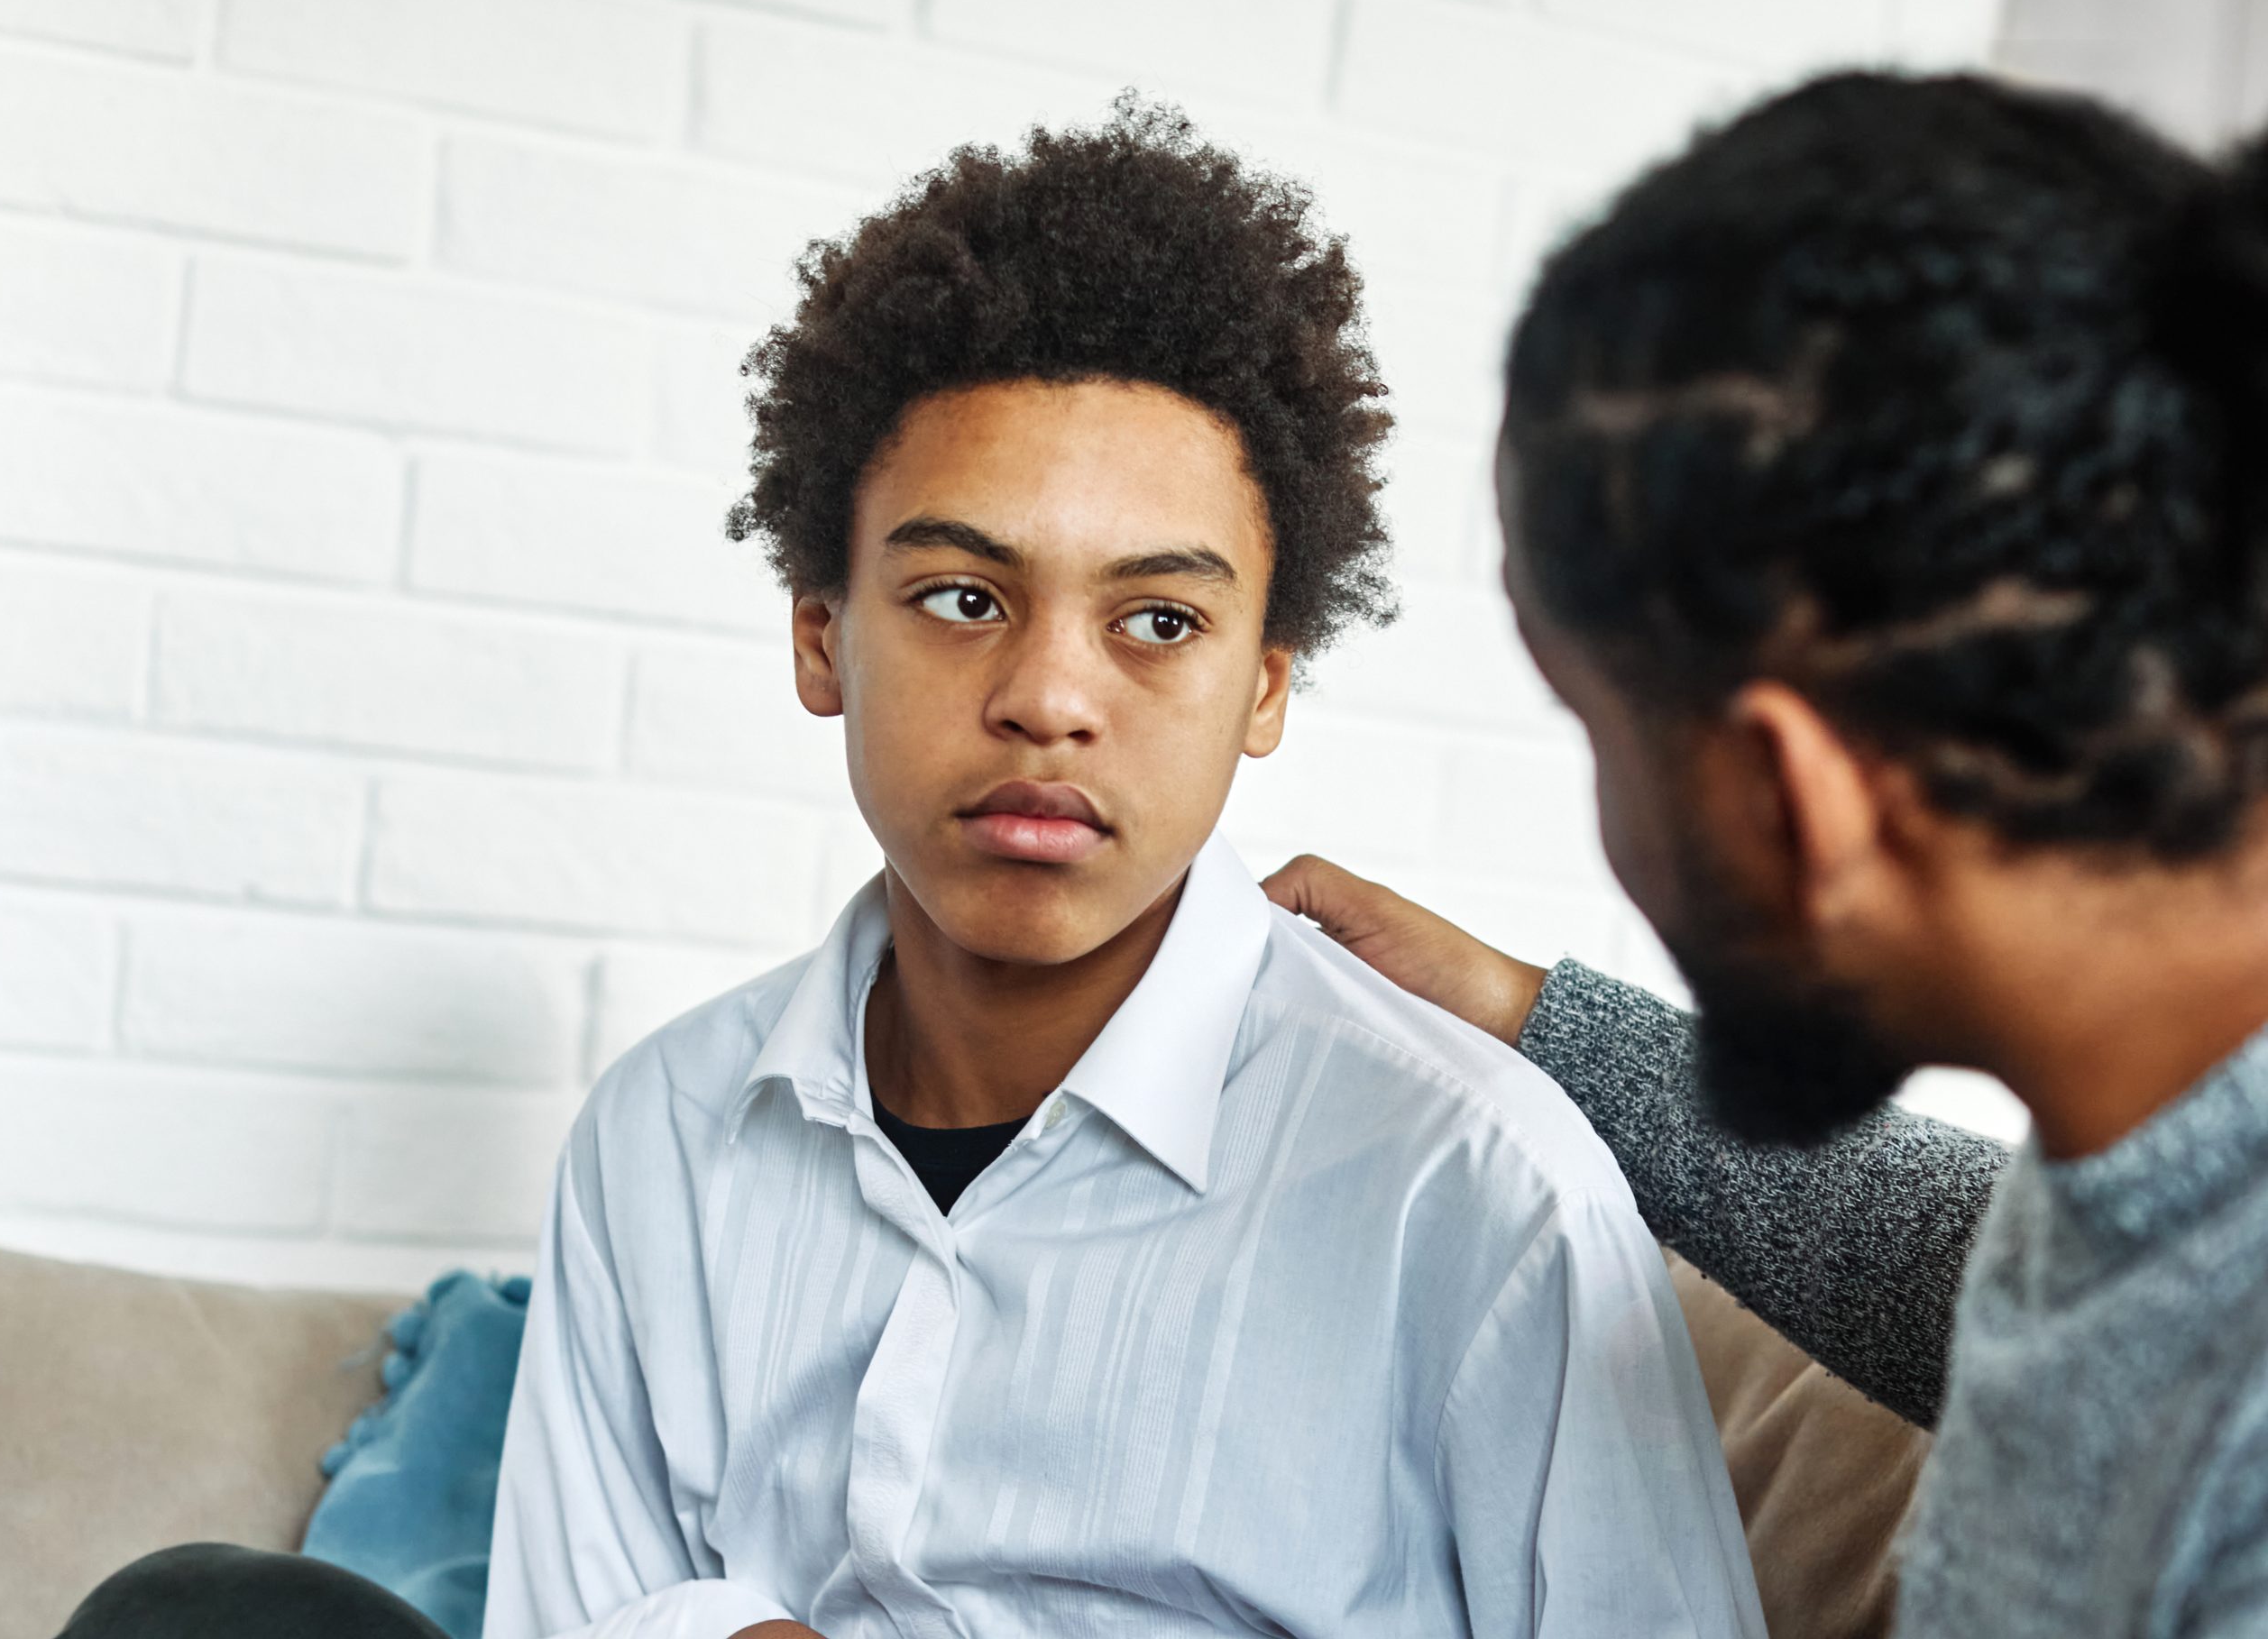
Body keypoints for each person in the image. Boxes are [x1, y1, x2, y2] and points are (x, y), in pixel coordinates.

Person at [479, 103, 1763, 1639]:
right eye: (963, 598)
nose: (1049, 699)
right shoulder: (662, 1136)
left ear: (1266, 687)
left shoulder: (1477, 1188)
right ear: (824, 637)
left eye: (1159, 622)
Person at [1267, 70, 2268, 1637]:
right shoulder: (2158, 1158)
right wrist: (1526, 1016)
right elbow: (1998, 1273)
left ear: (1790, 795)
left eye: (1599, 734)